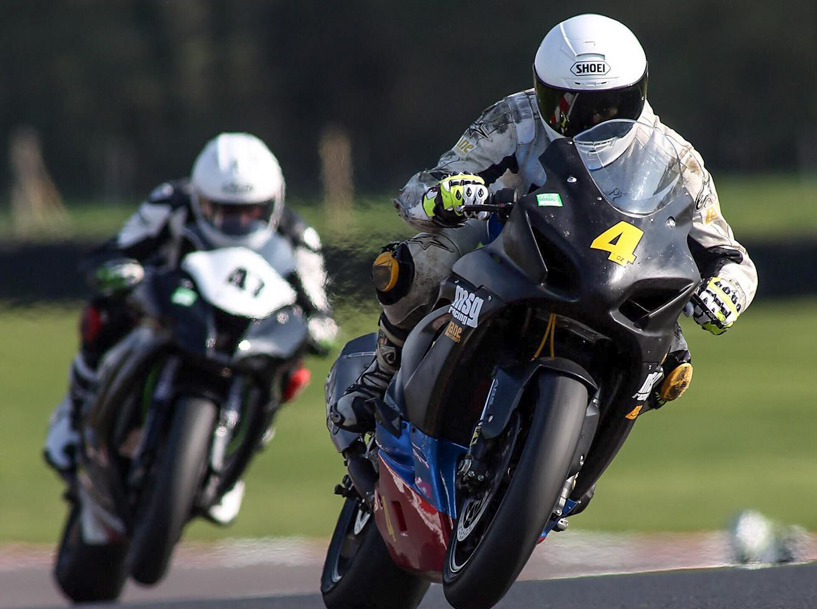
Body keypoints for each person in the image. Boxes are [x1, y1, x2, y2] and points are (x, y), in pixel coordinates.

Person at [330, 13, 758, 434]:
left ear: (637, 95)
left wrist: (730, 289)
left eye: (609, 107)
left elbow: (726, 252)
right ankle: (383, 372)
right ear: (542, 92)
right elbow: (420, 190)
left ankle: (577, 449)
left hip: (616, 269)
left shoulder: (675, 158)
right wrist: (443, 195)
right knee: (411, 266)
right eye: (568, 105)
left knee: (674, 369)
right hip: (516, 247)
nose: (591, 121)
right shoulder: (515, 118)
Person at [44, 132, 338, 518]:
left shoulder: (298, 235)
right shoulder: (169, 203)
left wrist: (318, 325)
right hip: (172, 310)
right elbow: (117, 249)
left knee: (292, 365)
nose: (236, 222)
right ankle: (75, 408)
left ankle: (237, 452)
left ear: (273, 203)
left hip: (245, 331)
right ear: (199, 199)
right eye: (222, 210)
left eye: (250, 211)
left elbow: (319, 304)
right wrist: (121, 268)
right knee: (105, 312)